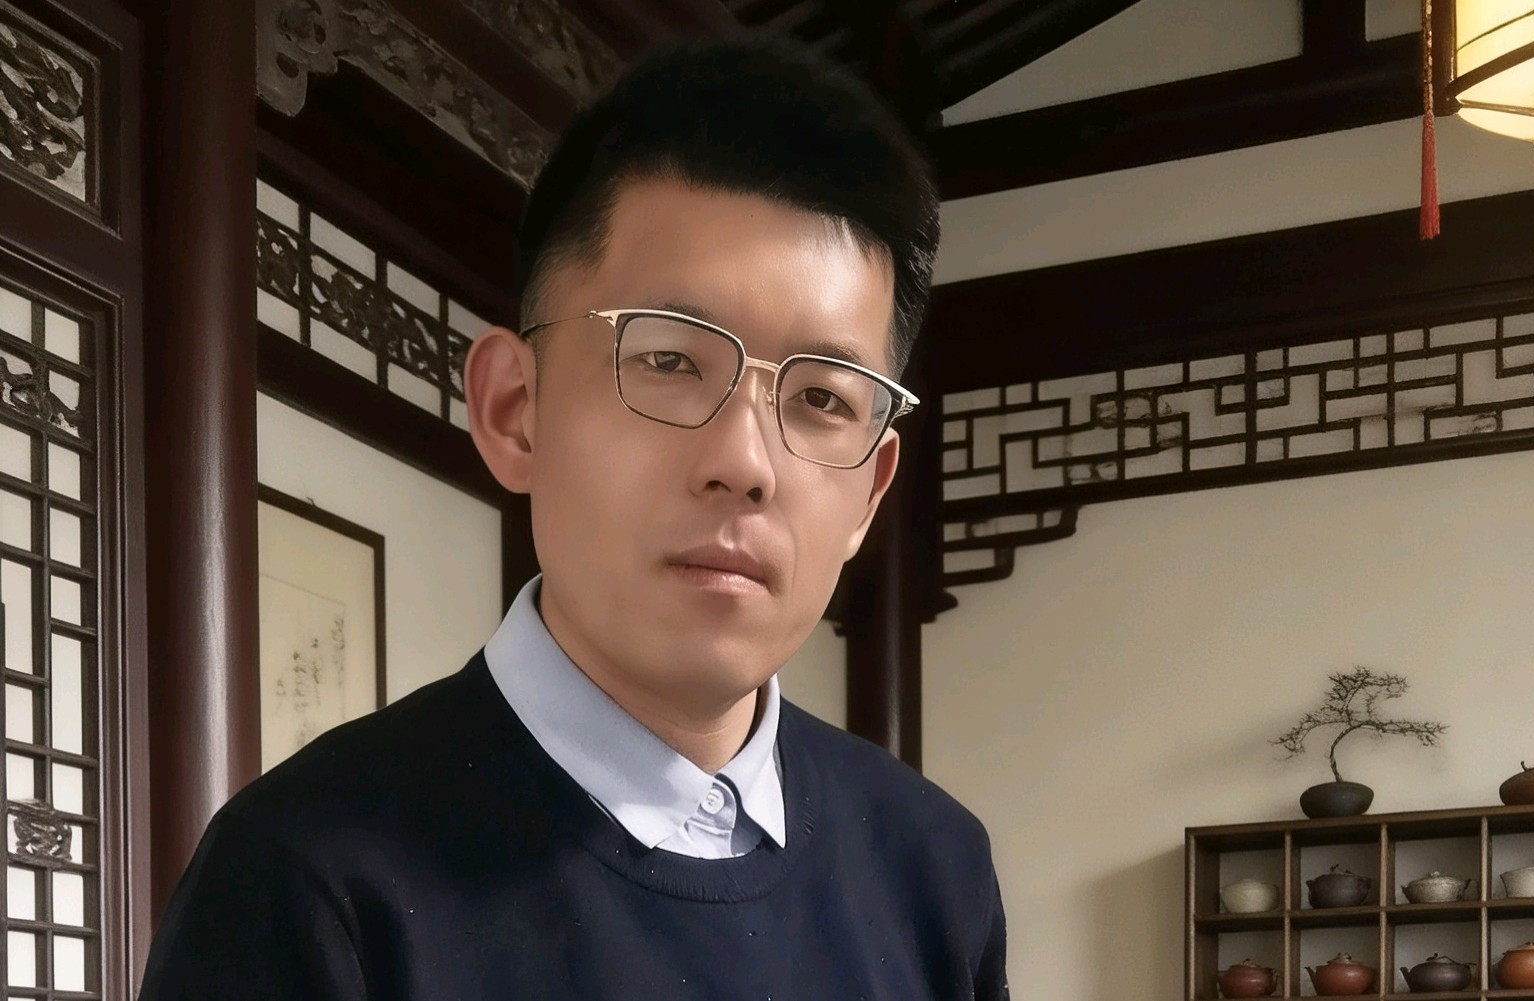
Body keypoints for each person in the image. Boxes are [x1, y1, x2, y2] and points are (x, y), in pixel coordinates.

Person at [139, 34, 1008, 1000]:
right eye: (670, 360)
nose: (744, 463)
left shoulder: (934, 868)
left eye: (822, 398)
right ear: (515, 409)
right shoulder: (307, 881)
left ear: (871, 491)